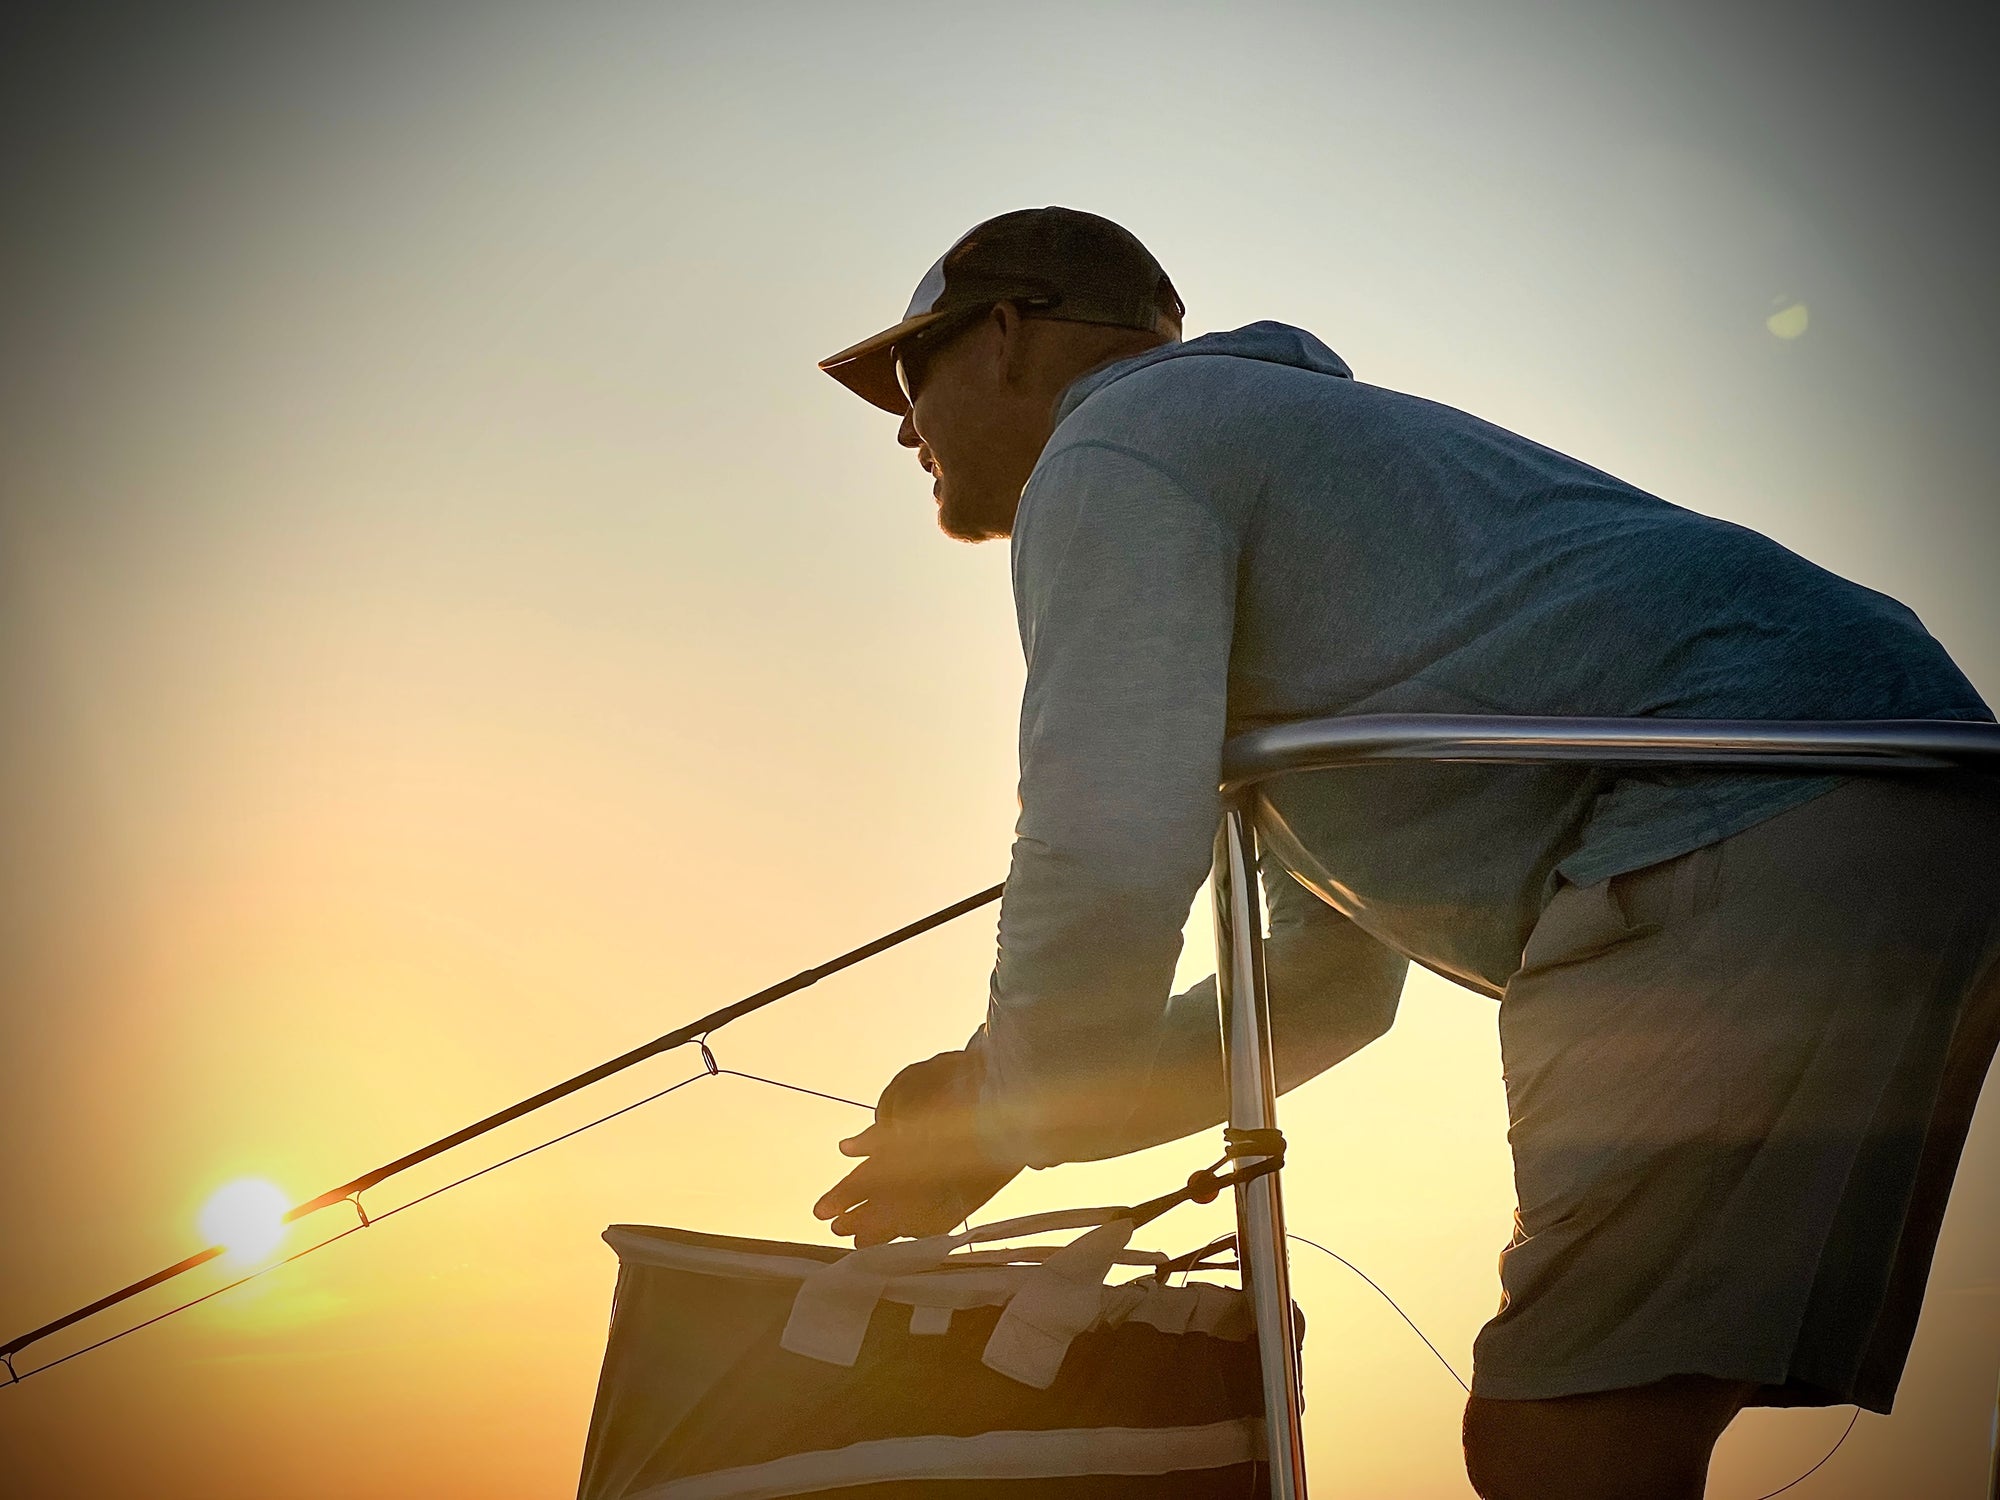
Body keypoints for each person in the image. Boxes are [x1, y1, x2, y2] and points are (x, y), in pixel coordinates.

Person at [808, 206, 2000, 1500]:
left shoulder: (1117, 443)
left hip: (1744, 793)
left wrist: (1008, 1102)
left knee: (1566, 1439)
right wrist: (1015, 1123)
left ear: (1004, 335)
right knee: (1618, 1419)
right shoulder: (1275, 462)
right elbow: (1326, 990)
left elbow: (1105, 845)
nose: (903, 428)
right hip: (1906, 785)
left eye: (909, 377)